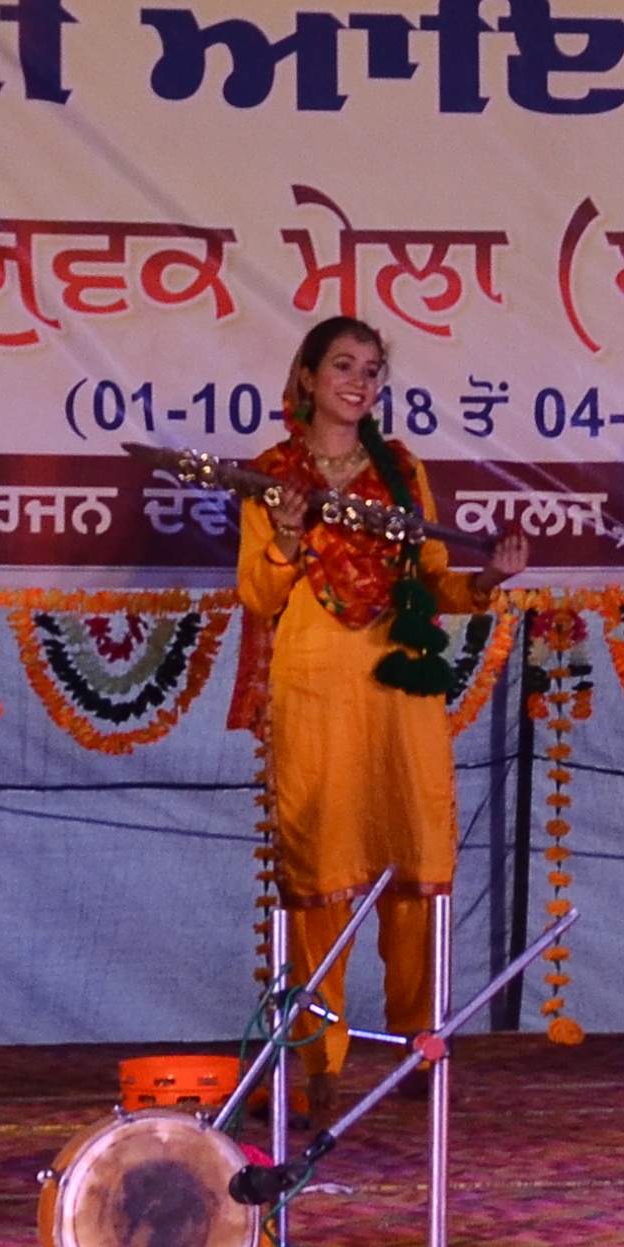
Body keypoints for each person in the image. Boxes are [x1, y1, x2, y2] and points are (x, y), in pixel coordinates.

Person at [232, 316, 526, 1072]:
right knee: (323, 869)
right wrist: (288, 540)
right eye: (343, 365)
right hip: (313, 685)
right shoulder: (269, 473)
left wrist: (489, 579)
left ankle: (415, 1051)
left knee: (411, 867)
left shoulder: (400, 470)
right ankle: (320, 1057)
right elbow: (259, 596)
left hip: (400, 687)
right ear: (306, 377)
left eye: (371, 370)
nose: (359, 381)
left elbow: (434, 580)